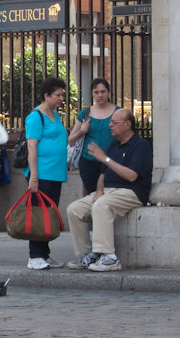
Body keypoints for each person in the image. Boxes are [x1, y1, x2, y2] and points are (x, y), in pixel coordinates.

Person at [65, 111, 153, 272]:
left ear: (127, 124)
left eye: (114, 122)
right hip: (107, 190)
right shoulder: (113, 144)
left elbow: (132, 176)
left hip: (131, 192)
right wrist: (99, 190)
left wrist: (104, 158)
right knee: (74, 209)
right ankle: (87, 254)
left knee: (101, 206)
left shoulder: (141, 145)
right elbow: (103, 173)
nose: (110, 125)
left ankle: (109, 257)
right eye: (110, 121)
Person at [24, 77, 69, 270]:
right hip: (41, 173)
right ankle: (35, 255)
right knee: (38, 214)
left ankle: (44, 253)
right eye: (57, 95)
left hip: (55, 173)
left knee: (49, 215)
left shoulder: (55, 116)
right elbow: (31, 147)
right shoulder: (36, 116)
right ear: (47, 95)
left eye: (62, 95)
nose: (61, 99)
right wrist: (34, 176)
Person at [66, 77, 121, 195]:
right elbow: (70, 140)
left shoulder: (118, 112)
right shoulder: (85, 113)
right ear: (92, 94)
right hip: (88, 162)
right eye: (96, 92)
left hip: (112, 161)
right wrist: (82, 131)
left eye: (103, 91)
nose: (100, 95)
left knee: (110, 196)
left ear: (108, 92)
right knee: (92, 196)